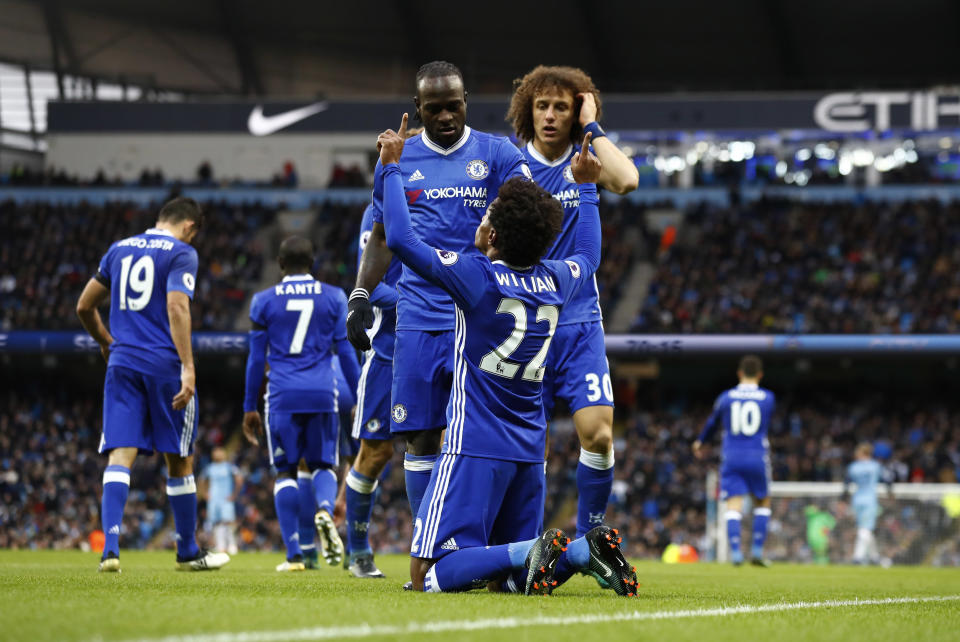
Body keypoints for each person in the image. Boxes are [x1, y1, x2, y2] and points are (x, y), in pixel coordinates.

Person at [378, 114, 637, 596]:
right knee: (514, 586)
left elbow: (400, 239)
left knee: (426, 577)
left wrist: (391, 167)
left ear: (493, 236)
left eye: (487, 216)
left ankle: (531, 548)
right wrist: (586, 189)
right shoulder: (558, 280)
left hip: (472, 445)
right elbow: (590, 254)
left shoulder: (476, 277)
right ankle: (583, 550)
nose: (481, 219)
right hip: (528, 450)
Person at [346, 61, 533, 532]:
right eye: (435, 109)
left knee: (484, 433)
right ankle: (429, 548)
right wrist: (361, 293)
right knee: (421, 436)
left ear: (466, 101)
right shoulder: (397, 160)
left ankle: (488, 544)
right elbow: (385, 234)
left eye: (454, 106)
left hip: (482, 320)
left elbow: (527, 223)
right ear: (418, 108)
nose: (446, 117)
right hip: (419, 317)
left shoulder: (498, 154)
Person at [508, 65, 639, 545]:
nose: (549, 115)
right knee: (528, 446)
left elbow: (627, 180)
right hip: (524, 324)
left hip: (580, 319)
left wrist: (592, 126)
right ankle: (523, 543)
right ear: (528, 109)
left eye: (561, 106)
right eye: (541, 105)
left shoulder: (586, 158)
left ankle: (590, 538)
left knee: (599, 435)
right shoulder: (510, 163)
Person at [76, 196, 229, 573]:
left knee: (119, 455)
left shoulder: (118, 249)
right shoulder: (180, 253)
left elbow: (84, 306)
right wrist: (189, 367)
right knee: (179, 457)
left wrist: (105, 341)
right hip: (163, 364)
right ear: (189, 227)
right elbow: (178, 307)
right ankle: (188, 551)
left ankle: (109, 549)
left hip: (123, 363)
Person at [242, 236, 360, 572]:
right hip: (323, 392)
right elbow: (346, 352)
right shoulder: (334, 297)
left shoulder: (263, 301)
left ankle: (294, 554)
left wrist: (249, 406)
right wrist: (359, 396)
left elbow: (254, 360)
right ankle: (325, 507)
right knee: (323, 466)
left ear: (280, 264)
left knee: (285, 473)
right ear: (313, 263)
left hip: (282, 395)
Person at [342, 199, 402, 579]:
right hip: (388, 352)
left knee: (446, 448)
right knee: (375, 453)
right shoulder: (380, 209)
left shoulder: (461, 197)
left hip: (445, 350)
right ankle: (359, 550)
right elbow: (368, 284)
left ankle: (441, 548)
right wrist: (419, 301)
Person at [693, 355, 775, 567]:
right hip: (757, 455)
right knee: (763, 501)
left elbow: (712, 423)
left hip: (731, 456)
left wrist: (700, 442)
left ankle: (736, 553)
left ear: (739, 373)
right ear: (760, 375)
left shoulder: (726, 397)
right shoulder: (768, 397)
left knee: (733, 505)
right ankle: (757, 550)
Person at [844, 442, 893, 564]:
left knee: (864, 529)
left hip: (857, 500)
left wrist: (843, 499)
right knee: (865, 529)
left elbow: (846, 483)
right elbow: (888, 479)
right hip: (870, 500)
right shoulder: (876, 466)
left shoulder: (853, 467)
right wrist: (890, 493)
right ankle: (858, 557)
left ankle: (874, 557)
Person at [200, 447, 242, 555]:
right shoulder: (210, 468)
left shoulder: (229, 467)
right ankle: (220, 545)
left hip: (226, 498)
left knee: (228, 522)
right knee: (216, 523)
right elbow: (201, 480)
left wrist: (234, 494)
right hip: (214, 499)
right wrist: (205, 494)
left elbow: (239, 479)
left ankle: (232, 545)